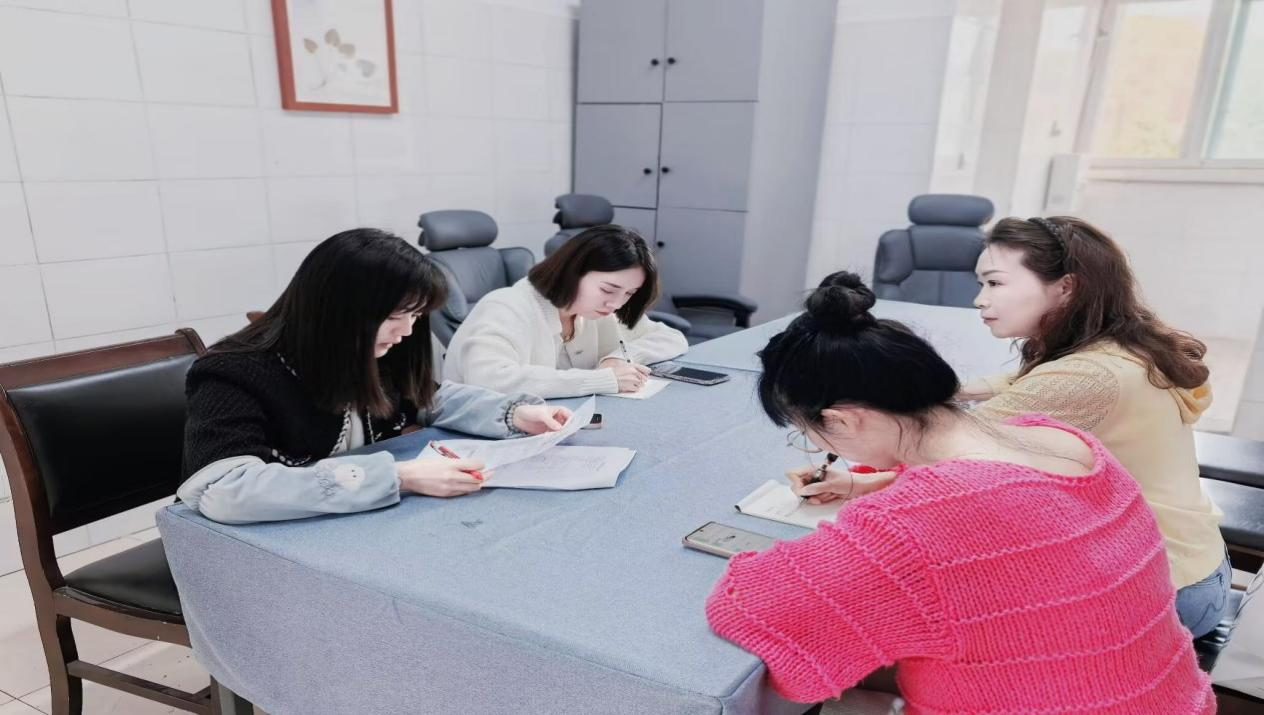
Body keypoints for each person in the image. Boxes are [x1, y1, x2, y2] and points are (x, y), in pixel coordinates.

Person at [705, 272, 1213, 713]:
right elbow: (996, 517)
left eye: (809, 435)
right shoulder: (1059, 440)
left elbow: (746, 606)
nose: (819, 448)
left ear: (842, 419)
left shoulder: (912, 523)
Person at [178, 228, 571, 524]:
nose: (406, 331)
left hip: (342, 523)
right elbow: (224, 489)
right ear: (336, 309)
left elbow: (429, 399)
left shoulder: (372, 350)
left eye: (415, 316)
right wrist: (399, 477)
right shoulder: (234, 371)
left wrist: (514, 414)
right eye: (396, 315)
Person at [956, 215, 1227, 637]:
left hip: (1169, 593)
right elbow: (1025, 383)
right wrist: (957, 389)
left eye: (994, 283)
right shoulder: (1119, 346)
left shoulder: (1089, 376)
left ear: (1065, 287)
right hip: (1196, 564)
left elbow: (947, 445)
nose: (980, 299)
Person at [443, 225, 688, 398]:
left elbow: (672, 338)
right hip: (477, 437)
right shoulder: (506, 306)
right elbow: (490, 380)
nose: (616, 303)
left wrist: (617, 359)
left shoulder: (598, 311)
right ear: (572, 272)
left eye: (629, 293)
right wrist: (603, 379)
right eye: (607, 289)